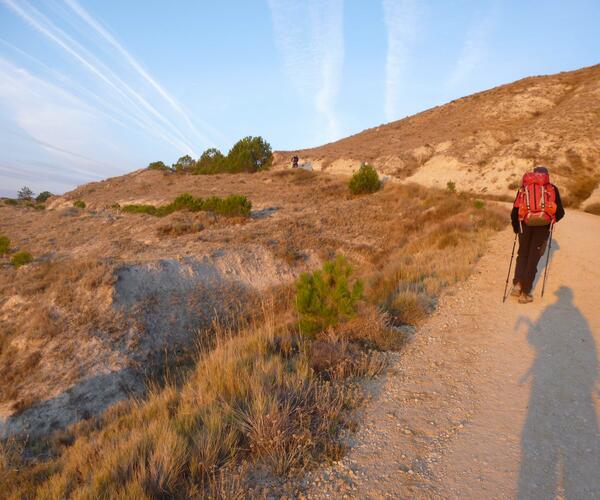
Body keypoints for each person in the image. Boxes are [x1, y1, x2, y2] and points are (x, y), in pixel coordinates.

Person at [510, 166, 564, 303]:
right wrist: (550, 220)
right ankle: (525, 293)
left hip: (525, 225)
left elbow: (515, 211)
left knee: (522, 255)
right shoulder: (551, 188)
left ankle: (517, 285)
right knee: (533, 259)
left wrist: (517, 227)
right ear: (546, 175)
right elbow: (560, 212)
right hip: (542, 227)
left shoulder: (524, 187)